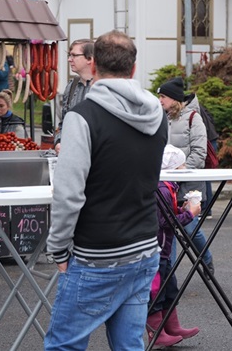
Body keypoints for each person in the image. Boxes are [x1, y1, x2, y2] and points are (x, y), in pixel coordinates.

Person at [45, 31, 168, 350]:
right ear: (134, 68)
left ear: (94, 65)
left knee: (63, 345)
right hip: (144, 247)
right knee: (129, 345)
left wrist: (57, 247)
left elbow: (68, 194)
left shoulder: (82, 117)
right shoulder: (157, 114)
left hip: (97, 253)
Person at [157, 76, 214, 274]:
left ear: (174, 98)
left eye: (163, 97)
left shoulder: (194, 118)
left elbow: (199, 154)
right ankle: (168, 275)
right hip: (166, 186)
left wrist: (179, 172)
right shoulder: (162, 118)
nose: (159, 100)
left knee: (190, 229)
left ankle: (206, 259)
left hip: (188, 185)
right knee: (168, 228)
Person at [147, 145, 202, 348]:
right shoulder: (162, 188)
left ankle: (172, 327)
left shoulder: (168, 186)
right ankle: (156, 333)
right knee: (156, 290)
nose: (184, 169)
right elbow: (164, 221)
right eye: (181, 166)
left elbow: (166, 213)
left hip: (164, 248)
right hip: (157, 248)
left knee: (170, 287)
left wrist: (180, 209)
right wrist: (190, 214)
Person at [54, 39, 95, 153]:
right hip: (73, 154)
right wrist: (58, 141)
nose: (69, 59)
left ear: (89, 59)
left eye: (74, 55)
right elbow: (64, 123)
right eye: (69, 55)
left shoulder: (102, 87)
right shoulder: (71, 86)